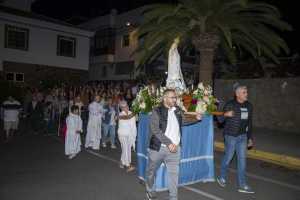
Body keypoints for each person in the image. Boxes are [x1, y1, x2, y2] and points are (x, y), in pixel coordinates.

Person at [145, 89, 201, 200]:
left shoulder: (178, 110)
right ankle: (150, 190)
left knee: (174, 176)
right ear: (165, 98)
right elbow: (155, 130)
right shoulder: (157, 110)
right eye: (172, 97)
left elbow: (183, 121)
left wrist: (195, 119)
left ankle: (173, 197)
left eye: (175, 97)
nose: (174, 99)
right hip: (158, 148)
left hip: (175, 149)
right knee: (151, 172)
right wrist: (168, 143)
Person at [216, 83, 254, 194]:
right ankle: (222, 177)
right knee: (228, 157)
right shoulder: (230, 104)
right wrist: (225, 114)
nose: (246, 94)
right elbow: (220, 119)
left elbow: (249, 123)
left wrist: (250, 137)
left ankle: (242, 184)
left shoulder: (249, 106)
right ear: (237, 94)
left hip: (242, 136)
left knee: (242, 160)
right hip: (230, 136)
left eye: (246, 92)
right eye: (244, 92)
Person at [117, 100, 137, 172]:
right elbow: (127, 117)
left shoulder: (131, 113)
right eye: (124, 107)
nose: (126, 108)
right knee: (125, 149)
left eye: (127, 106)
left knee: (128, 149)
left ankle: (122, 162)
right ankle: (128, 166)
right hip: (122, 134)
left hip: (129, 134)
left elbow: (135, 119)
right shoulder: (120, 115)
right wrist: (138, 109)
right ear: (121, 108)